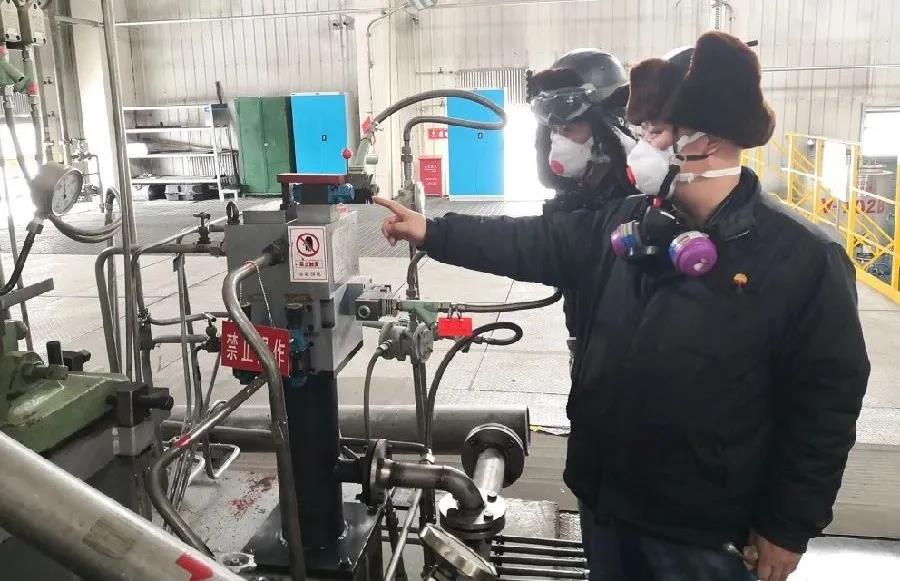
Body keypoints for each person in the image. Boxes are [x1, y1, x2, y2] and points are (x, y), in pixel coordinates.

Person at [376, 31, 870, 581]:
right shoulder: (629, 221)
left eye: (655, 131)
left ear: (707, 140)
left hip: (706, 534)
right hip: (608, 508)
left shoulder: (803, 257)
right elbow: (531, 241)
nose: (641, 145)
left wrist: (787, 526)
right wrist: (432, 231)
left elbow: (825, 405)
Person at [525, 49, 636, 366]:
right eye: (553, 130)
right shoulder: (576, 194)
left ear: (606, 129)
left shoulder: (633, 204)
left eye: (569, 128)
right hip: (584, 339)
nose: (558, 140)